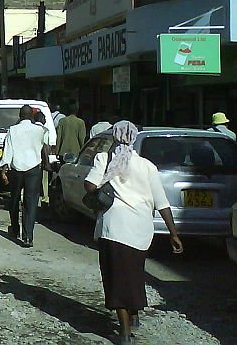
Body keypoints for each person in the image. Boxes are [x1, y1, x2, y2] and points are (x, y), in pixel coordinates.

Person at [84, 121, 183, 344]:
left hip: (113, 227)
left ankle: (125, 333)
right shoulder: (147, 166)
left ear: (115, 138)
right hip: (140, 230)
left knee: (115, 278)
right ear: (134, 139)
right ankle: (135, 315)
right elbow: (162, 202)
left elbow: (89, 185)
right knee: (134, 273)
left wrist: (105, 184)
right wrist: (173, 234)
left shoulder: (105, 159)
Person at [0, 105, 49, 247]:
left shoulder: (12, 130)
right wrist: (47, 164)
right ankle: (28, 237)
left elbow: (8, 150)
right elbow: (44, 147)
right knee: (31, 202)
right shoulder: (40, 130)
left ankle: (15, 229)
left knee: (14, 200)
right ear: (32, 116)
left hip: (16, 169)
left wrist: (4, 169)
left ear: (20, 116)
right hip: (33, 169)